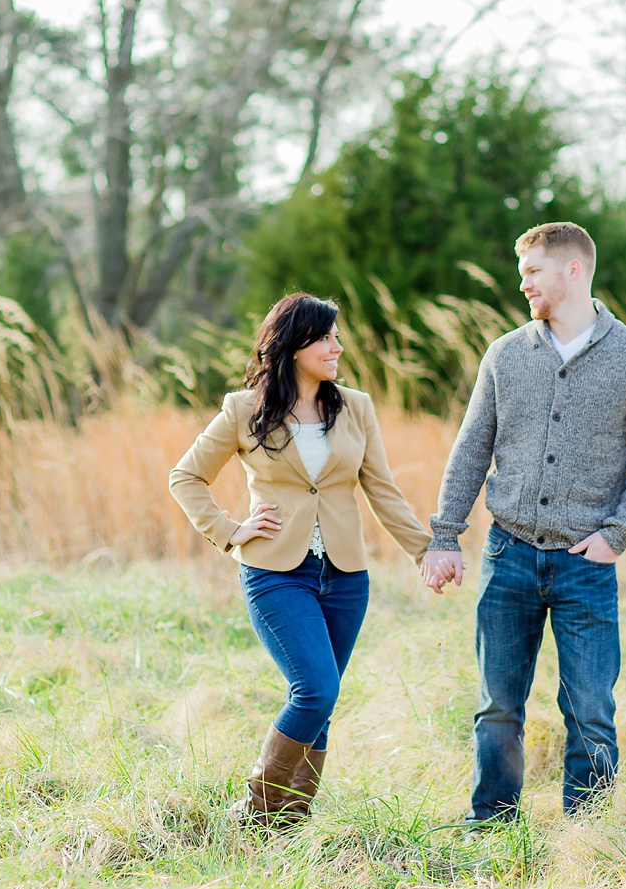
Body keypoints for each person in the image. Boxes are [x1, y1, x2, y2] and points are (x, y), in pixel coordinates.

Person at [421, 222, 626, 826]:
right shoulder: (505, 354)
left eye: (533, 272)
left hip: (586, 564)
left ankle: (590, 839)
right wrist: (445, 534)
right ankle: (492, 829)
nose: (523, 283)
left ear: (573, 271)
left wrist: (618, 535)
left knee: (590, 708)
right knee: (497, 707)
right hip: (507, 555)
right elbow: (471, 446)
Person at [169, 293, 431, 828]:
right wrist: (230, 530)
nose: (338, 346)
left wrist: (425, 550)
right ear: (293, 345)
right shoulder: (244, 409)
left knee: (322, 704)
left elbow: (381, 489)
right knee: (315, 689)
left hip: (345, 575)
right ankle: (256, 811)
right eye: (327, 337)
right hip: (276, 573)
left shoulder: (355, 406)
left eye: (337, 337)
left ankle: (290, 827)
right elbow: (185, 478)